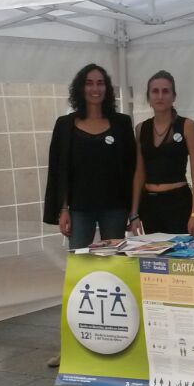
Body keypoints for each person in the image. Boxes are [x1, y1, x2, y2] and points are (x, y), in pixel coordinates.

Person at [43, 64, 138, 249]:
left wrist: (134, 211)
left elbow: (132, 168)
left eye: (100, 83)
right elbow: (58, 170)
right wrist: (63, 209)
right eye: (89, 83)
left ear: (107, 88)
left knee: (114, 260)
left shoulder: (122, 123)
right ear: (81, 88)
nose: (95, 88)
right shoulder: (65, 125)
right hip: (79, 209)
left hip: (115, 208)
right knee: (80, 259)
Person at [134, 71, 194, 236]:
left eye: (165, 91)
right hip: (150, 204)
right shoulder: (141, 128)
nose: (160, 96)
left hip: (178, 202)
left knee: (180, 251)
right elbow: (139, 173)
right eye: (155, 91)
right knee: (154, 252)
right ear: (149, 97)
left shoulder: (187, 126)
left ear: (173, 96)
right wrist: (134, 212)